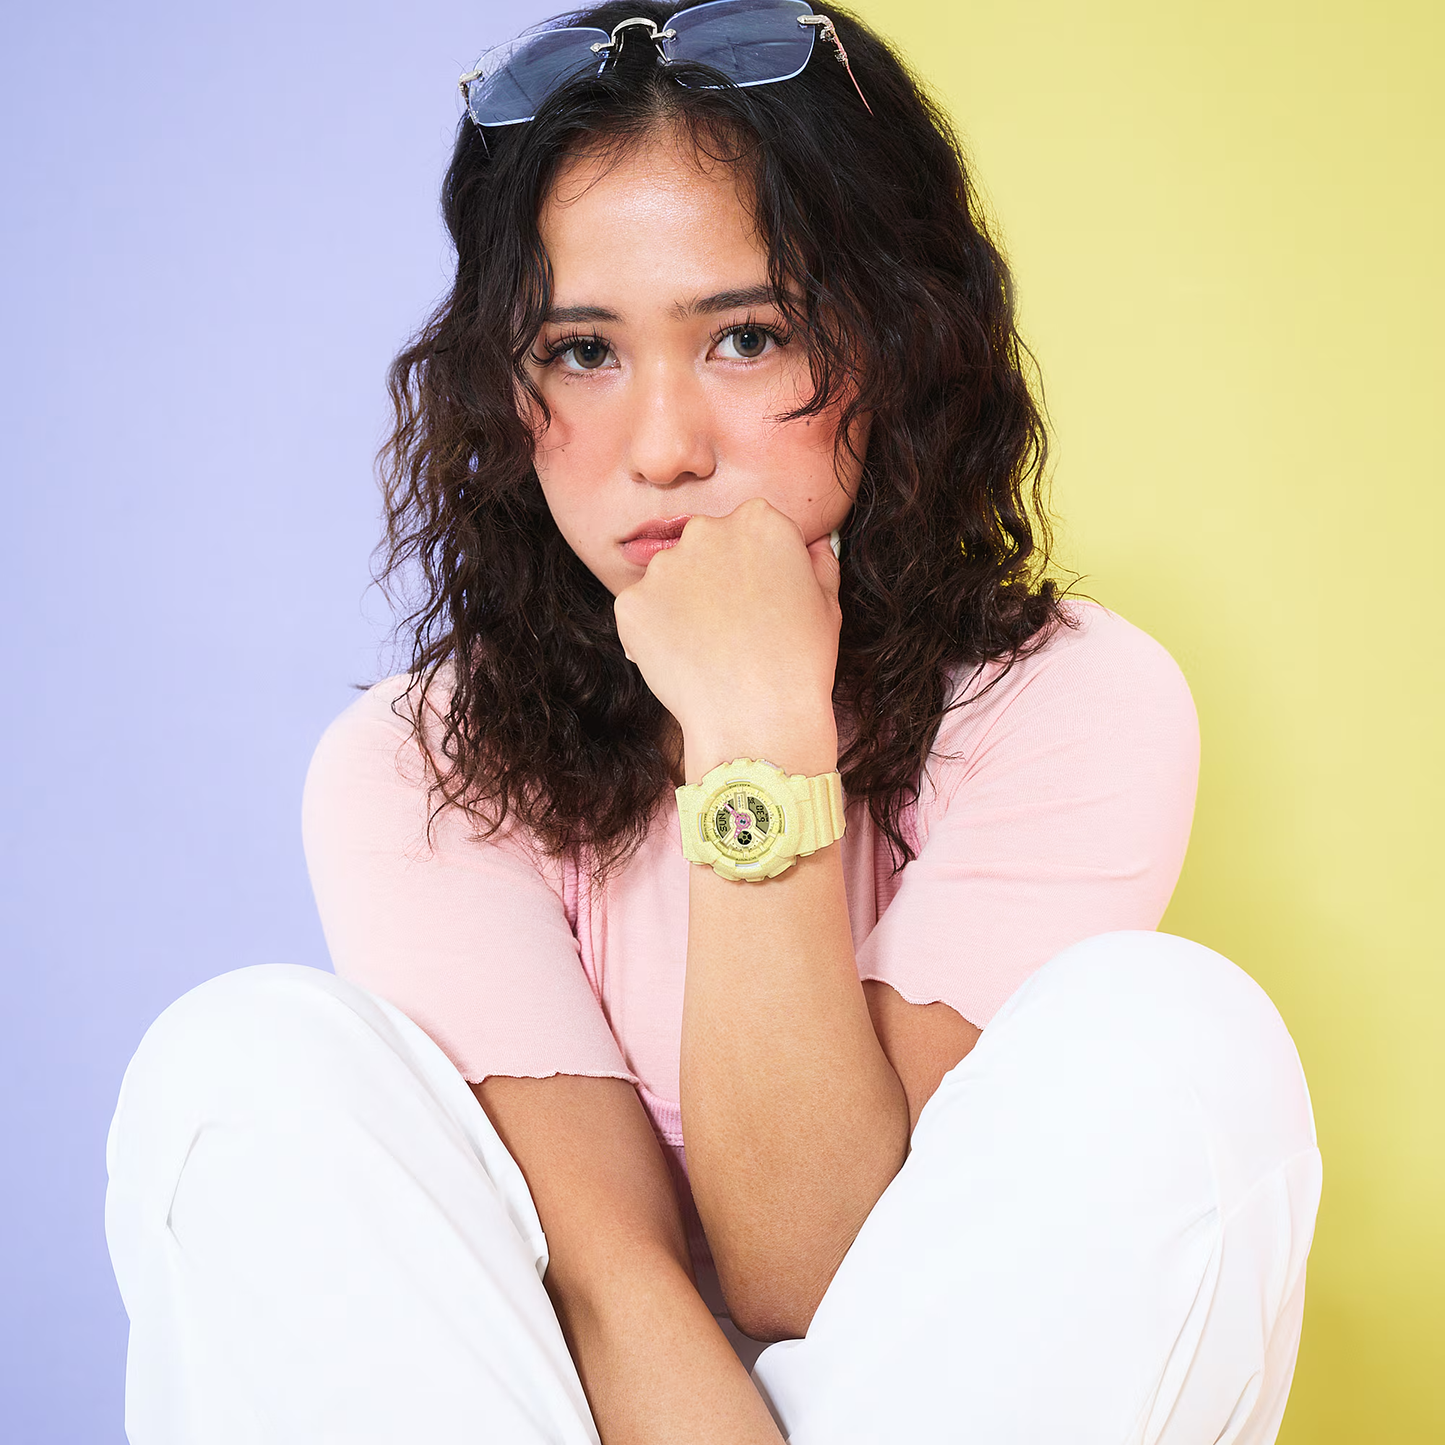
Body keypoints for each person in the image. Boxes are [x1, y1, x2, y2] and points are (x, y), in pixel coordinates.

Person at [103, 3, 1322, 1441]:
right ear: (504, 382)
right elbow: (613, 1291)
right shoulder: (423, 766)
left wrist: (754, 728)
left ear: (898, 342)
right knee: (237, 1061)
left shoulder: (1066, 701)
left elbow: (815, 1271)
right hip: (576, 1402)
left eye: (746, 337)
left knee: (1180, 1035)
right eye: (583, 351)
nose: (665, 448)